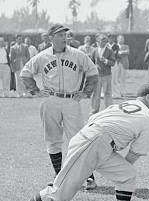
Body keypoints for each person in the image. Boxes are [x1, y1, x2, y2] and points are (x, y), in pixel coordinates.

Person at [0, 83, 149, 201]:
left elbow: (93, 119)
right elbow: (135, 153)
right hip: (95, 143)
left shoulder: (122, 105)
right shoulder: (148, 119)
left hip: (95, 140)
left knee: (127, 175)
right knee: (59, 195)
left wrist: (113, 164)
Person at [20, 23, 99, 189]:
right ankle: (58, 175)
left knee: (79, 139)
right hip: (51, 100)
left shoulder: (78, 55)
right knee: (53, 139)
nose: (64, 38)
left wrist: (85, 92)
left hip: (71, 100)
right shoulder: (42, 57)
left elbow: (93, 73)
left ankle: (88, 177)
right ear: (51, 38)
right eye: (60, 35)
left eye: (65, 35)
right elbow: (25, 73)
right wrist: (35, 90)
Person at [91, 33, 116, 114]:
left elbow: (113, 62)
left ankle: (109, 110)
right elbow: (92, 62)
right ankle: (94, 110)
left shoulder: (110, 50)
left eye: (105, 41)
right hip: (97, 75)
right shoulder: (94, 50)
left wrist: (106, 61)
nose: (103, 43)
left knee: (107, 93)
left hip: (107, 75)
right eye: (102, 41)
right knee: (96, 94)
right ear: (98, 41)